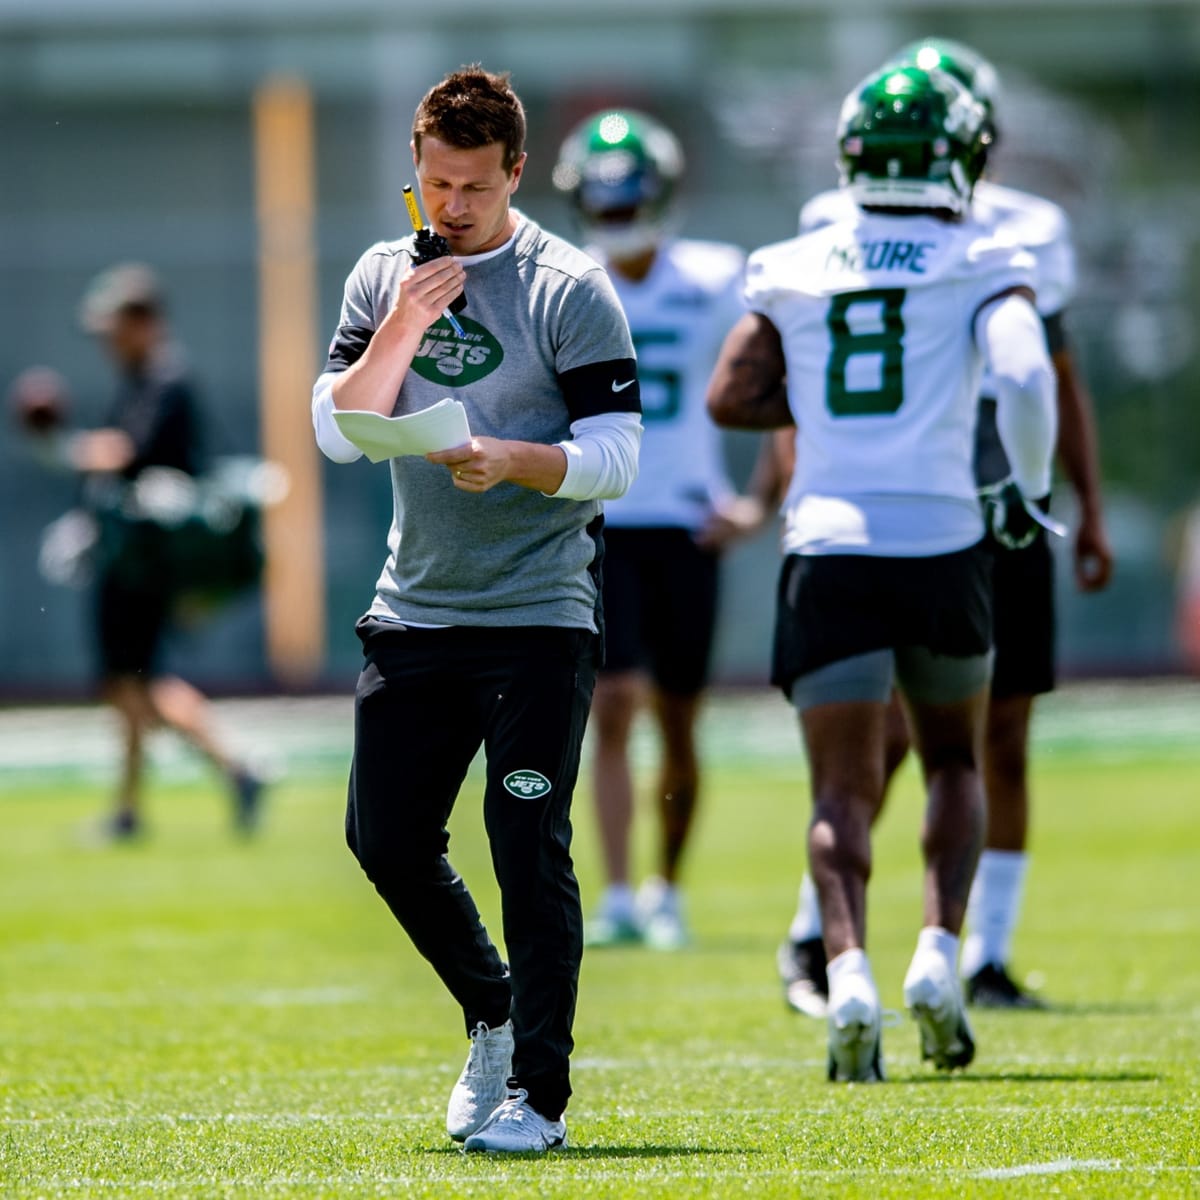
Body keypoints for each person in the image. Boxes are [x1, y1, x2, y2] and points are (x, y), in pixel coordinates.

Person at [311, 66, 642, 1153]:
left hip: (542, 612)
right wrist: (403, 326)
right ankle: (491, 1013)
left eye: (473, 189)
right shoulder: (384, 274)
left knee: (524, 836)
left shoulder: (568, 284)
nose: (451, 208)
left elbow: (618, 456)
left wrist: (516, 460)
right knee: (386, 838)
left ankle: (539, 1100)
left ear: (516, 173)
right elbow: (335, 427)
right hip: (416, 610)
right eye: (434, 185)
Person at [707, 63, 1058, 1081]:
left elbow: (731, 396)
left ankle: (849, 971)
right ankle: (940, 958)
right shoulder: (987, 249)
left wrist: (821, 409)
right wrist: (1025, 489)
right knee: (955, 761)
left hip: (828, 545)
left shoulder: (794, 259)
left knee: (840, 791)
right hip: (944, 539)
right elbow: (1026, 373)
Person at [775, 37, 1114, 1018]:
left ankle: (981, 955)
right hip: (934, 508)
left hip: (982, 498)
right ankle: (821, 933)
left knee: (995, 734)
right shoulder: (852, 228)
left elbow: (1055, 368)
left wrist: (1073, 500)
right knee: (886, 743)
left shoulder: (1021, 231)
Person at [552, 109, 766, 951]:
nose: (616, 212)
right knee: (613, 708)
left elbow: (779, 384)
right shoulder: (566, 279)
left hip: (685, 524)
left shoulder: (719, 278)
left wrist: (757, 502)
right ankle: (615, 898)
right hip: (600, 520)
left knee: (678, 721)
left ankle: (666, 888)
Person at [15, 263, 266, 842]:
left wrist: (60, 445)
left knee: (140, 680)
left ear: (145, 321)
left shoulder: (166, 380)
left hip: (144, 561)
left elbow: (127, 455)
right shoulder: (140, 379)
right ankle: (132, 808)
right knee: (126, 683)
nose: (107, 338)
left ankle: (237, 766)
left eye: (115, 325)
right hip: (130, 556)